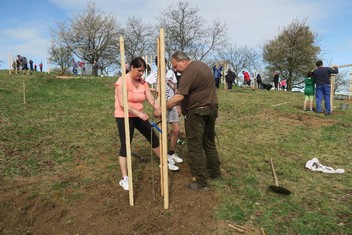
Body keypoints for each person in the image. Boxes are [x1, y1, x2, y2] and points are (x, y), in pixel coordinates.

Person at [115, 57, 179, 191]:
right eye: (139, 70)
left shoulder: (143, 82)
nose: (141, 74)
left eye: (143, 71)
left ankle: (164, 161)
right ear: (132, 67)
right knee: (126, 145)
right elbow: (122, 103)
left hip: (139, 115)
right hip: (124, 116)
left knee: (153, 136)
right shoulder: (122, 81)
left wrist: (158, 108)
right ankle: (124, 178)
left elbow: (150, 98)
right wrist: (138, 114)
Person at [166, 51, 221, 191]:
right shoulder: (202, 66)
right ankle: (215, 173)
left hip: (197, 113)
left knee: (195, 146)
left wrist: (163, 108)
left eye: (176, 66)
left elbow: (179, 96)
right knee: (208, 142)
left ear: (183, 61)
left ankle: (201, 182)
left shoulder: (189, 72)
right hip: (211, 110)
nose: (175, 69)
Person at [145, 56, 183, 166]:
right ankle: (164, 155)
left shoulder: (171, 73)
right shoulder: (154, 74)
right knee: (164, 131)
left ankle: (171, 152)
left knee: (176, 130)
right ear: (157, 64)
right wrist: (155, 89)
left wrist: (178, 105)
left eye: (165, 63)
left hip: (172, 103)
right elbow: (144, 85)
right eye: (160, 63)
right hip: (161, 105)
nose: (163, 65)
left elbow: (176, 89)